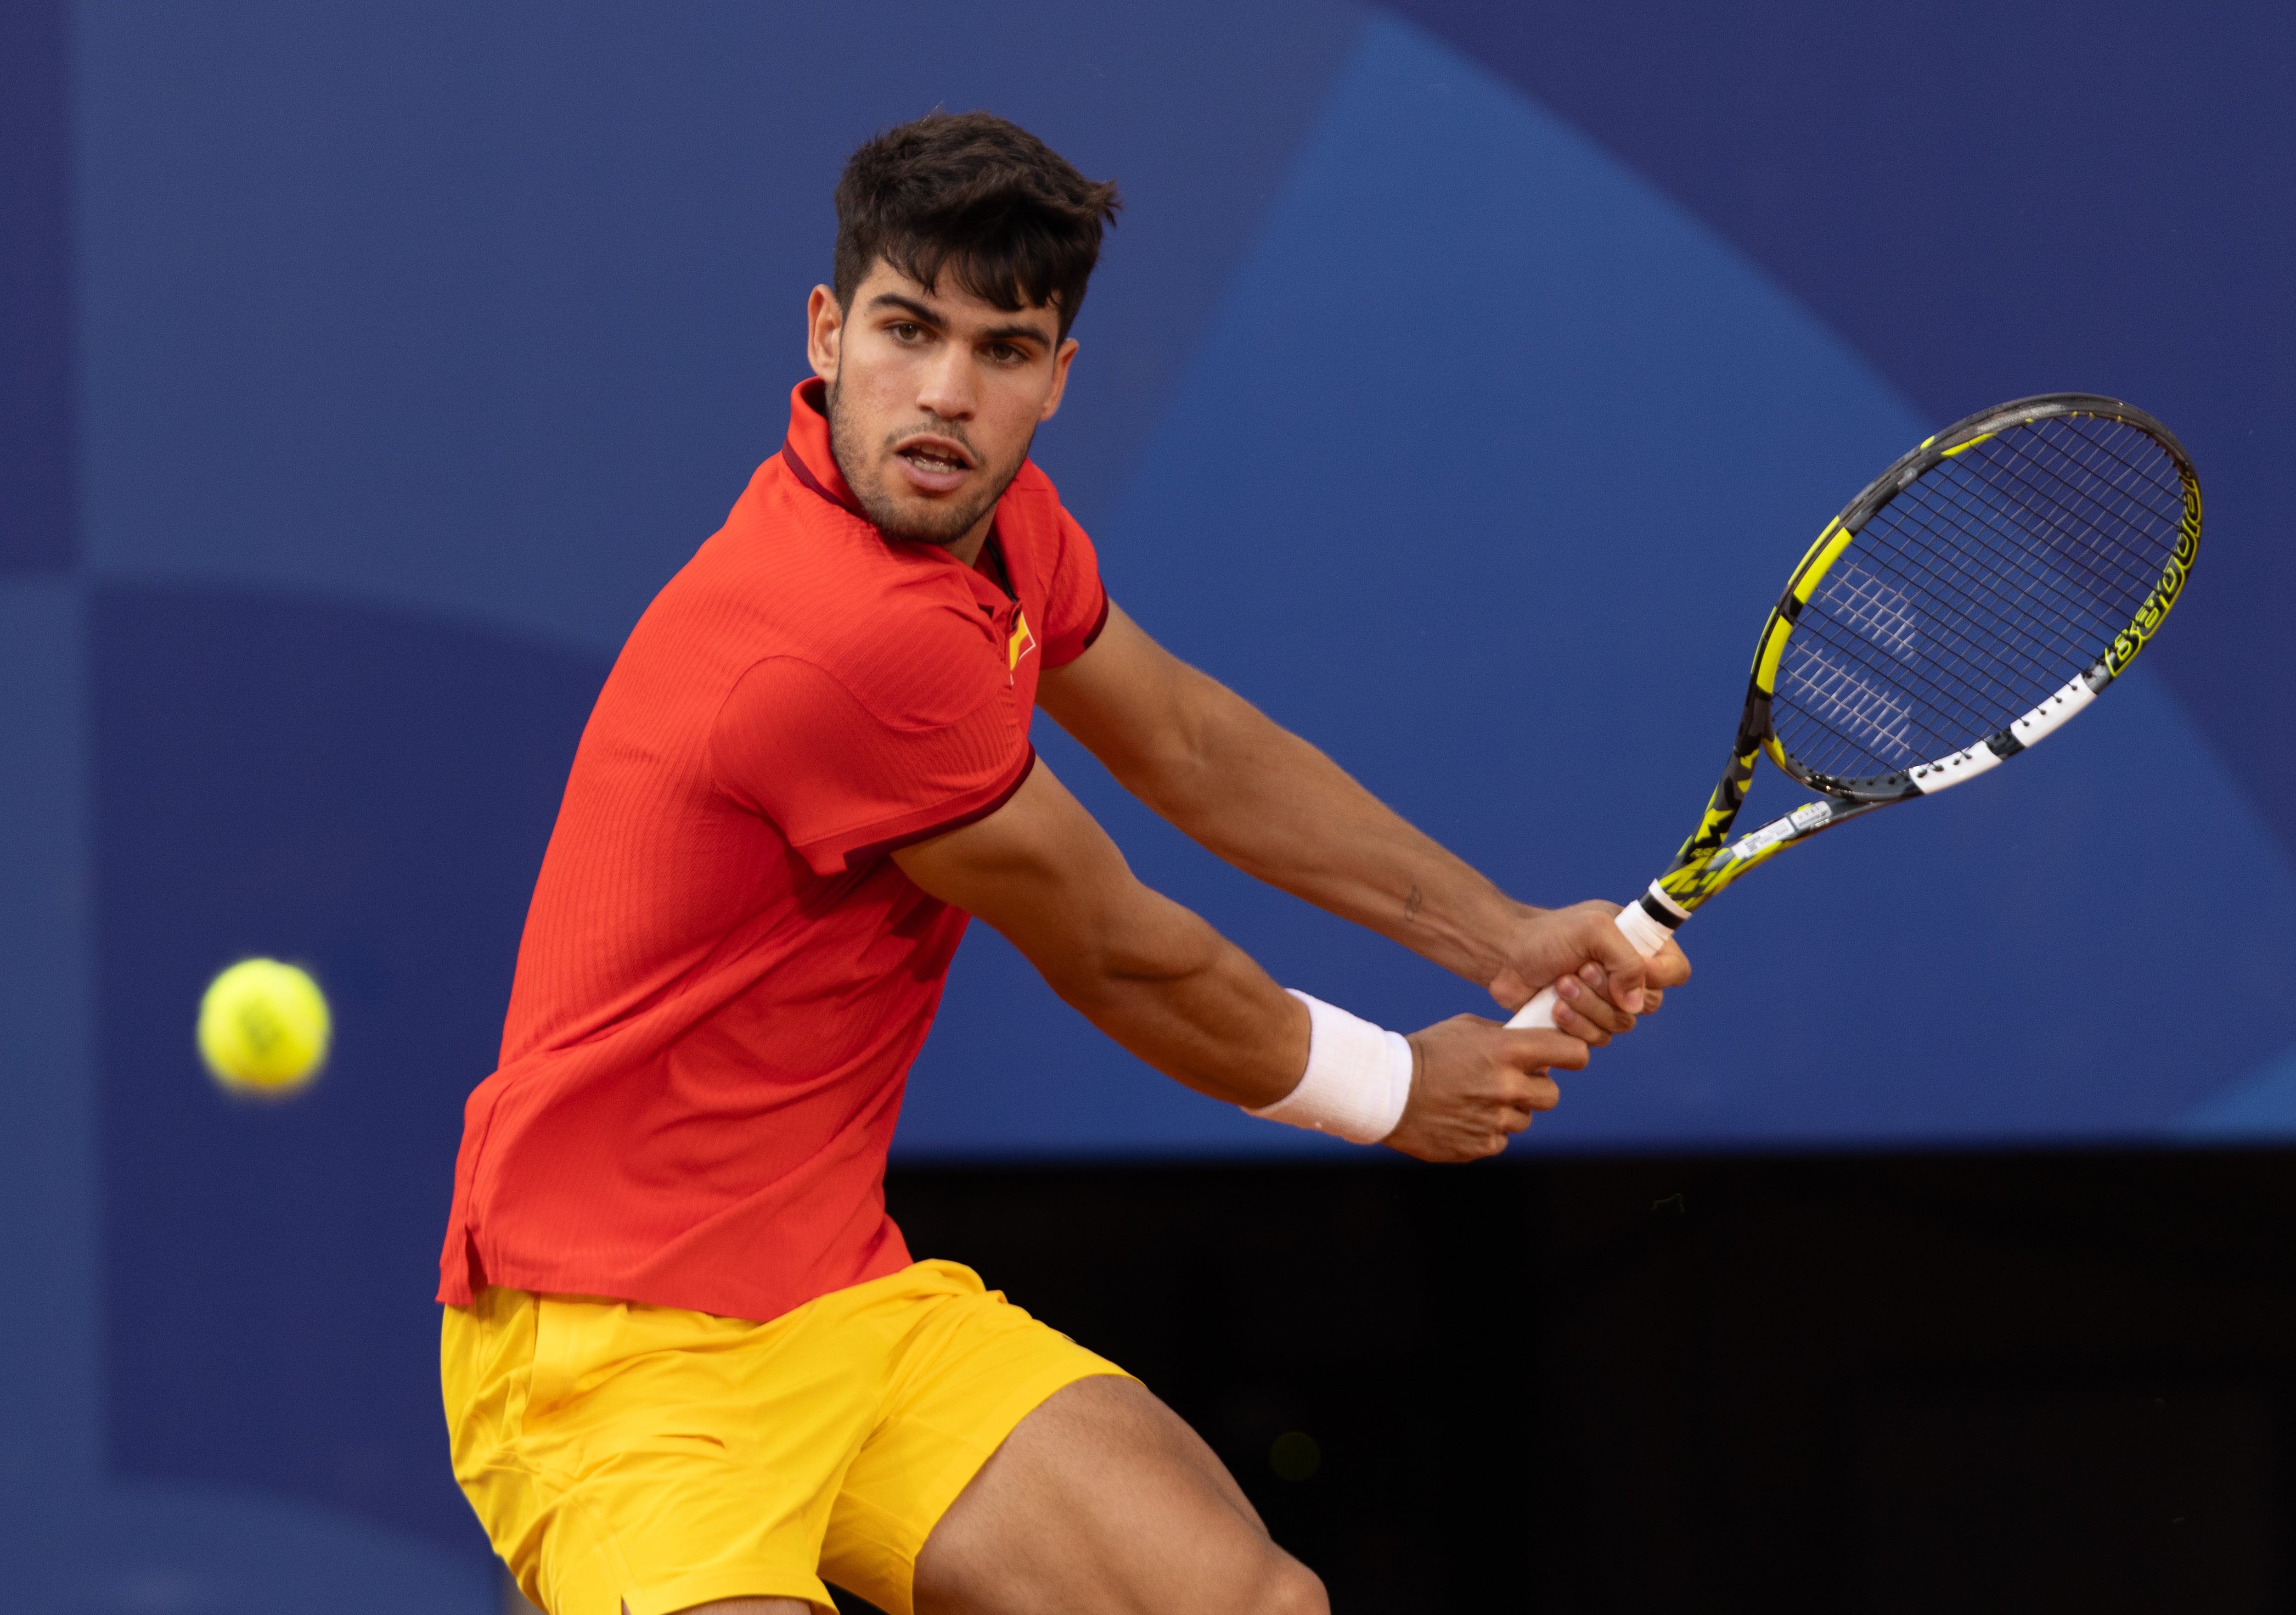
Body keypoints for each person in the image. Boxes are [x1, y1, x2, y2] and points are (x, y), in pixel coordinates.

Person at [438, 111, 1689, 1615]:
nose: (947, 396)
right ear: (829, 333)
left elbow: (1193, 748)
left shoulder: (996, 523)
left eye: (1005, 352)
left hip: (842, 1304)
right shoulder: (833, 639)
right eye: (908, 331)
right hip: (617, 1354)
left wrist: (1498, 935)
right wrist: (1397, 1092)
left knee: (1246, 1607)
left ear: (1059, 378)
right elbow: (1117, 947)